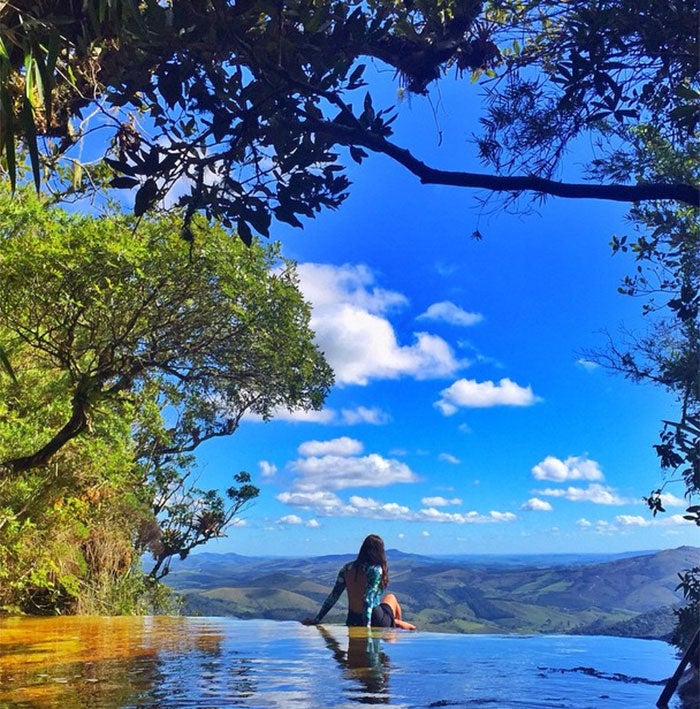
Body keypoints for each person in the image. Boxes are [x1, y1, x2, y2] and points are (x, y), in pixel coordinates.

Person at [301, 534, 416, 629]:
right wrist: (367, 628)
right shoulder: (375, 570)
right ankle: (395, 629)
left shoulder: (347, 568)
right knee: (391, 597)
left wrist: (317, 619)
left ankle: (394, 623)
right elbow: (368, 600)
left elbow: (333, 597)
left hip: (353, 619)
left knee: (389, 608)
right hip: (374, 618)